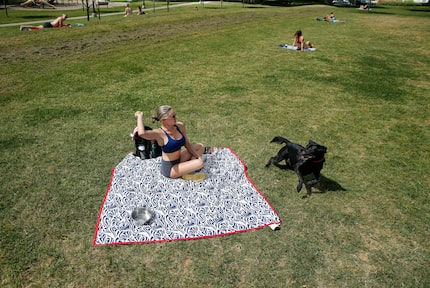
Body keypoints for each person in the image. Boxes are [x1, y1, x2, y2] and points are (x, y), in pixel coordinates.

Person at [134, 106, 206, 180]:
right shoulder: (159, 134)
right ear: (163, 120)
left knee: (200, 146)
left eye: (175, 115)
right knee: (200, 163)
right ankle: (189, 170)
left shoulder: (179, 126)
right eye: (173, 116)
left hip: (180, 158)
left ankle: (187, 169)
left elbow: (187, 145)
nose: (176, 118)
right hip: (170, 168)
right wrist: (139, 117)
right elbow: (142, 133)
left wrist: (197, 157)